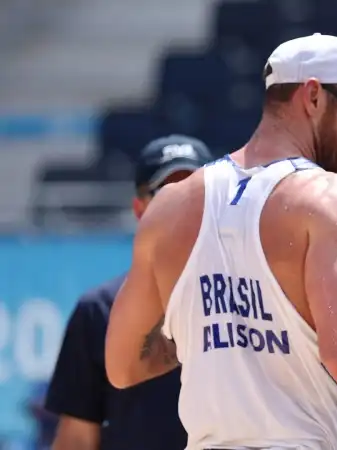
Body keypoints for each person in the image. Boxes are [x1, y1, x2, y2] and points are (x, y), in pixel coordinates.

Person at [104, 33, 337, 450]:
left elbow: (122, 364)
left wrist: (210, 331)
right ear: (313, 96)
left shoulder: (170, 207)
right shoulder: (329, 196)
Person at [45, 135, 212, 450]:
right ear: (139, 209)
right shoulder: (98, 311)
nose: (185, 205)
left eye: (195, 192)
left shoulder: (247, 297)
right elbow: (78, 439)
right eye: (168, 194)